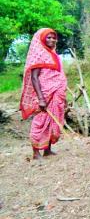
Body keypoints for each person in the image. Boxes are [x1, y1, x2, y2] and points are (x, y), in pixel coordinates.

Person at [20, 28, 67, 160]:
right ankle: (35, 153)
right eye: (48, 37)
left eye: (53, 37)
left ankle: (47, 150)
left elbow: (58, 75)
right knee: (40, 121)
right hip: (45, 94)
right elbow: (34, 78)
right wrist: (41, 98)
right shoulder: (39, 55)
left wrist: (63, 95)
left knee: (52, 121)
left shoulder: (55, 55)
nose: (52, 40)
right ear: (41, 39)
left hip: (57, 94)